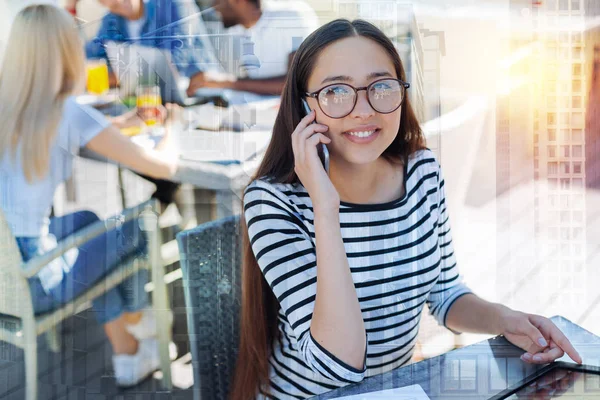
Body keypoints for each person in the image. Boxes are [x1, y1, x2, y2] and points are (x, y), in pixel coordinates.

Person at [232, 19, 583, 399]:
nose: (363, 109)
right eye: (336, 91)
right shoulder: (273, 202)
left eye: (380, 86)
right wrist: (325, 206)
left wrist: (507, 319)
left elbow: (444, 293)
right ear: (304, 105)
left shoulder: (421, 171)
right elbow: (338, 363)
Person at [0, 4, 177, 387]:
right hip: (38, 280)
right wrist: (172, 132)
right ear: (65, 50)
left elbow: (63, 130)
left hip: (6, 276)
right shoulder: (66, 112)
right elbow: (164, 168)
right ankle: (137, 317)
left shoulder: (11, 107)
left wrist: (114, 125)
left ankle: (128, 349)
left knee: (87, 223)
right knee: (137, 225)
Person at [186, 0, 318, 96]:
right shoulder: (237, 30)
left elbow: (293, 85)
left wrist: (226, 82)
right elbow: (253, 83)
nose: (214, 7)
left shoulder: (291, 16)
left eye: (216, 1)